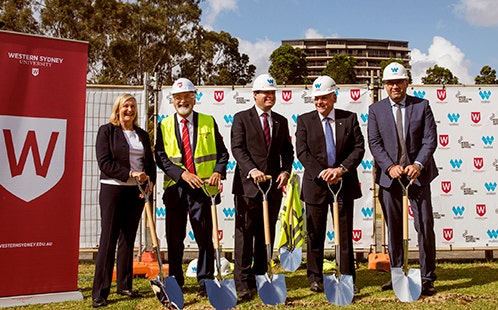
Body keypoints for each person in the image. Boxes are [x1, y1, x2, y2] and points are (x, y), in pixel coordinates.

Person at [368, 62, 438, 296]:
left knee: (425, 225)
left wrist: (418, 165)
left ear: (407, 83)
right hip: (391, 179)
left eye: (399, 82)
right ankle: (397, 273)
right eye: (390, 83)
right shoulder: (376, 110)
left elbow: (430, 140)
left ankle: (427, 277)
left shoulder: (422, 106)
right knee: (394, 228)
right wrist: (389, 167)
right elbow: (374, 143)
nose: (394, 86)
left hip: (418, 177)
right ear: (384, 85)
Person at [155, 78, 229, 297]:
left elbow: (223, 153)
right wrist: (183, 174)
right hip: (176, 190)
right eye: (178, 98)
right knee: (174, 239)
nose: (182, 101)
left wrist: (217, 171)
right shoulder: (165, 124)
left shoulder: (208, 121)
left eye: (187, 96)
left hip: (202, 190)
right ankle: (176, 280)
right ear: (173, 101)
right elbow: (161, 157)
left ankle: (205, 279)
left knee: (204, 237)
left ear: (194, 99)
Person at [295, 76, 364, 294]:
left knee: (344, 235)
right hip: (315, 185)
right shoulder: (304, 121)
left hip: (343, 184)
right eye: (316, 99)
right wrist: (322, 173)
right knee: (315, 235)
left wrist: (340, 170)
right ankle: (315, 277)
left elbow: (359, 148)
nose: (319, 102)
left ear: (334, 96)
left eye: (324, 98)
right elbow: (302, 152)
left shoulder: (349, 118)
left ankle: (346, 276)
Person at [230, 73, 294, 300]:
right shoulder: (241, 118)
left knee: (265, 233)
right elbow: (237, 148)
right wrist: (251, 170)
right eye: (265, 93)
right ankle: (242, 282)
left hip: (272, 188)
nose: (269, 96)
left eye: (272, 92)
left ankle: (260, 276)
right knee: (244, 236)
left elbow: (288, 150)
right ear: (255, 95)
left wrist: (286, 171)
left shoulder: (280, 121)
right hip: (248, 187)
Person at [92, 94, 156, 308]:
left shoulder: (142, 135)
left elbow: (149, 163)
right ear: (118, 109)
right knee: (108, 240)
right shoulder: (107, 131)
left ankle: (125, 285)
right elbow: (104, 163)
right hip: (113, 190)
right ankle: (100, 293)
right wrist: (130, 173)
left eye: (133, 106)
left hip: (136, 192)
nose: (129, 109)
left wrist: (150, 183)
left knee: (128, 239)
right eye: (125, 106)